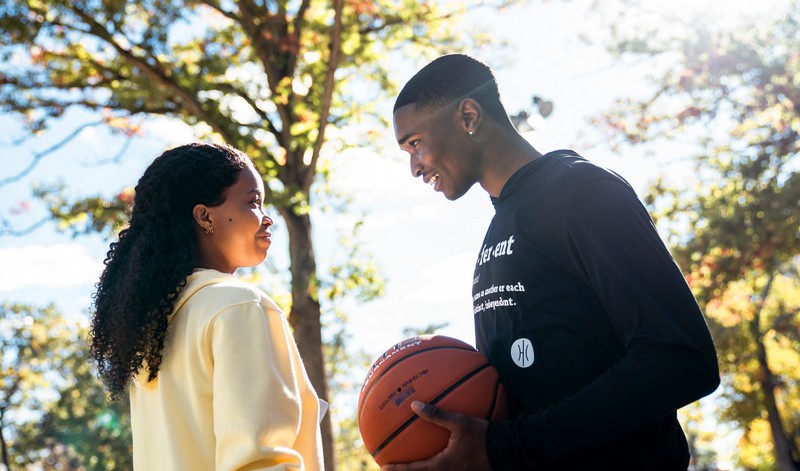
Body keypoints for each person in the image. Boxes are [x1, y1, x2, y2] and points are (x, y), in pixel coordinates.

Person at [386, 54, 720, 470]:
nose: (414, 168)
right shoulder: (497, 231)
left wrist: (506, 448)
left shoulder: (581, 191)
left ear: (469, 116)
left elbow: (682, 358)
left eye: (415, 143)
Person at [89, 143, 324, 471]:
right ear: (204, 216)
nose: (267, 218)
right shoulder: (240, 307)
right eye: (253, 201)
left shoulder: (152, 334)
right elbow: (259, 462)